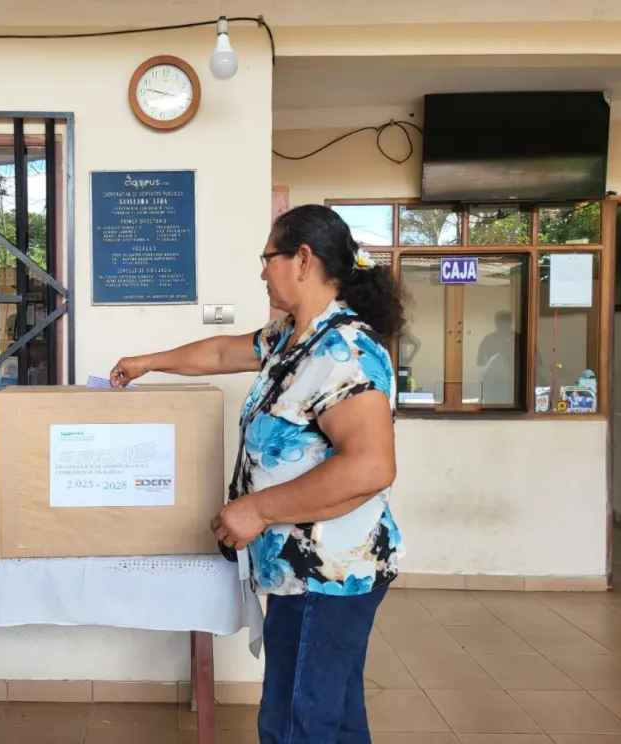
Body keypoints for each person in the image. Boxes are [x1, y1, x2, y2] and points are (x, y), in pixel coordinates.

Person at [110, 204, 405, 744]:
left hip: (329, 572)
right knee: (333, 719)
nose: (262, 271)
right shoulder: (294, 338)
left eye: (268, 258)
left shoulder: (344, 351)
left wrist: (256, 509)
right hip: (304, 569)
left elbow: (370, 466)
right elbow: (223, 350)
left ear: (303, 259)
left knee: (294, 723)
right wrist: (149, 360)